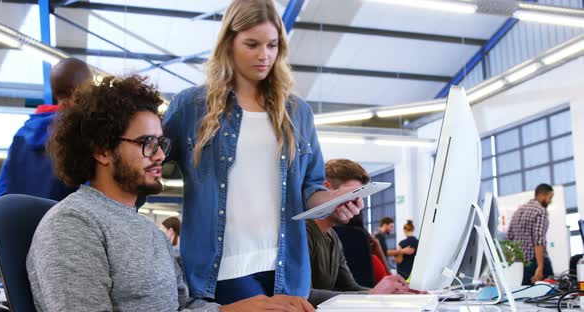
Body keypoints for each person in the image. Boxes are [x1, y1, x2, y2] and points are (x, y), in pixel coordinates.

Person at [27, 75, 312, 312]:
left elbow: (181, 305)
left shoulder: (146, 230)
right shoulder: (72, 225)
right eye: (147, 143)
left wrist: (239, 308)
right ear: (102, 150)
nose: (161, 155)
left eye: (160, 142)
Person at [162, 0, 362, 304]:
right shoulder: (191, 107)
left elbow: (312, 187)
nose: (263, 55)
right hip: (224, 269)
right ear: (229, 42)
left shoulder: (298, 113)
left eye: (272, 45)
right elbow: (146, 165)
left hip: (287, 269)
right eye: (252, 44)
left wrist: (334, 202)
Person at [307, 159, 417, 307]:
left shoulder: (332, 236)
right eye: (351, 194)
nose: (358, 204)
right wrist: (372, 295)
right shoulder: (304, 233)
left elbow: (350, 287)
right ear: (326, 189)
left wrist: (390, 295)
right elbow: (304, 295)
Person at [0, 57, 93, 201]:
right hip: (64, 222)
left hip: (19, 222)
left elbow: (1, 195)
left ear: (55, 93)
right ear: (84, 90)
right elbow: (91, 198)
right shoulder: (83, 136)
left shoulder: (21, 136)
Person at [507, 183, 555, 285]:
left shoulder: (518, 211)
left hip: (520, 264)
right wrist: (540, 267)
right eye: (550, 197)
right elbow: (539, 241)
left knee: (524, 297)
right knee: (549, 295)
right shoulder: (540, 211)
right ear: (542, 195)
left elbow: (509, 237)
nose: (550, 201)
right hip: (535, 262)